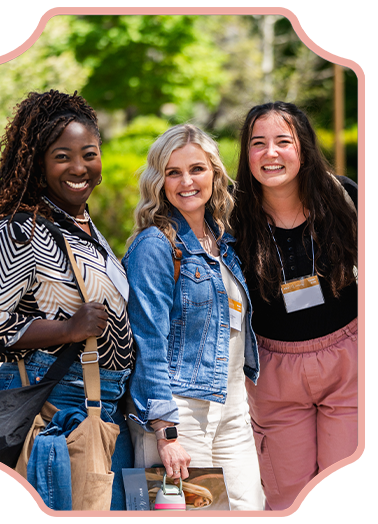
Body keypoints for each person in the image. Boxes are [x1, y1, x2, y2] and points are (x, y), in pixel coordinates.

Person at [0, 90, 134, 510]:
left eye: (89, 153)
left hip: (102, 404)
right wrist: (68, 329)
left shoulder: (82, 226)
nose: (79, 167)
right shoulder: (21, 231)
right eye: (62, 156)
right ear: (38, 163)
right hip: (53, 404)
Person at [122, 124, 264, 511]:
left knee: (250, 507)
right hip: (178, 411)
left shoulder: (224, 241)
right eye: (173, 172)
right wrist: (166, 434)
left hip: (231, 406)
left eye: (197, 169)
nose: (187, 181)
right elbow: (148, 342)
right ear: (159, 181)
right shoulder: (155, 244)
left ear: (214, 173)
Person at [230, 101, 358, 511]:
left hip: (349, 360)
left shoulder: (346, 197)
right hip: (273, 371)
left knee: (345, 491)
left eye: (283, 141)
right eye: (258, 143)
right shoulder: (231, 219)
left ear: (302, 147)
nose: (270, 153)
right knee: (289, 499)